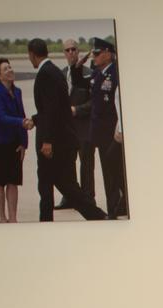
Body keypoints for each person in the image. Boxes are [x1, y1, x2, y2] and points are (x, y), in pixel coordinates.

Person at [26, 38, 105, 221]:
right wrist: (35, 120)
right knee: (62, 186)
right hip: (62, 139)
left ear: (32, 54)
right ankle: (95, 215)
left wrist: (46, 140)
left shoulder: (45, 74)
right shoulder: (55, 72)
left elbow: (51, 109)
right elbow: (54, 109)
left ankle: (93, 215)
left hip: (53, 144)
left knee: (53, 187)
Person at [0, 59, 31, 224]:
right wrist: (21, 122)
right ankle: (2, 217)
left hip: (14, 143)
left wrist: (24, 143)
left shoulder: (17, 91)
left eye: (10, 67)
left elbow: (22, 113)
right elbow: (0, 117)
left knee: (13, 182)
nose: (10, 70)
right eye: (5, 69)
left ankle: (13, 217)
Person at [88, 37, 128, 218]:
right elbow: (80, 83)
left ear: (107, 54)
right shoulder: (98, 73)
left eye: (97, 53)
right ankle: (116, 206)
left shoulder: (115, 73)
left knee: (113, 169)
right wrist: (74, 66)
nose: (94, 57)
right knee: (107, 171)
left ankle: (118, 205)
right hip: (100, 132)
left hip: (112, 130)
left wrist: (119, 128)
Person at [60, 39, 95, 206]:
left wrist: (77, 110)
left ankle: (88, 197)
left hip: (83, 125)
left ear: (78, 51)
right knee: (67, 162)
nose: (71, 52)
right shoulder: (60, 74)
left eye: (74, 49)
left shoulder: (88, 72)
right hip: (67, 127)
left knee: (86, 162)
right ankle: (69, 196)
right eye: (68, 50)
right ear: (64, 53)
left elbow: (94, 101)